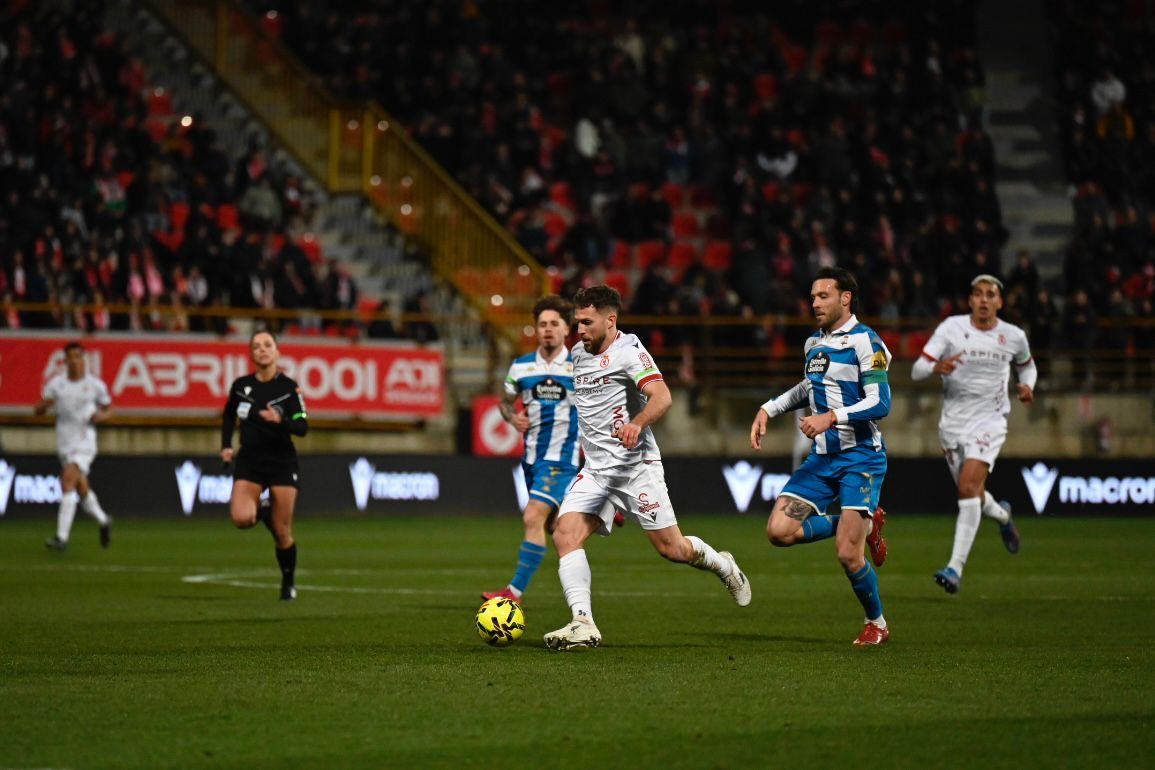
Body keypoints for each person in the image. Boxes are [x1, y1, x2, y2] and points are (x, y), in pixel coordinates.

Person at [543, 285, 751, 651]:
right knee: (565, 534)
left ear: (611, 320)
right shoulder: (578, 352)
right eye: (577, 323)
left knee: (673, 549)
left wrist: (637, 423)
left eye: (587, 322)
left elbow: (662, 396)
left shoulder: (629, 351)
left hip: (635, 467)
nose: (580, 330)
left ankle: (723, 565)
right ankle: (583, 623)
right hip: (597, 471)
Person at [749, 267, 892, 646]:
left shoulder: (867, 342)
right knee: (779, 532)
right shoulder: (813, 343)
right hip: (822, 460)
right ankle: (866, 524)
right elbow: (807, 387)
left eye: (823, 296)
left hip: (861, 458)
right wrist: (768, 409)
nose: (814, 303)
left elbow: (881, 402)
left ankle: (876, 623)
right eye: (812, 296)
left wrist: (832, 417)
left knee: (848, 554)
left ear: (846, 298)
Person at [912, 274, 1035, 594]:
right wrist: (935, 367)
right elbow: (917, 369)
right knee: (974, 493)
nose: (983, 300)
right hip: (953, 425)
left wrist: (1027, 385)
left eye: (990, 295)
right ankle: (1003, 515)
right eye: (978, 294)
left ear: (1000, 302)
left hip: (990, 422)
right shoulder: (951, 328)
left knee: (967, 487)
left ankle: (955, 568)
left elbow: (1027, 366)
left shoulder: (1014, 336)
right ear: (970, 300)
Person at [482, 295, 581, 603]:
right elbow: (504, 402)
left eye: (554, 324)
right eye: (542, 324)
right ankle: (599, 507)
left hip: (561, 459)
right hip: (532, 460)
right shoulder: (522, 367)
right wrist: (513, 418)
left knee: (532, 516)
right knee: (558, 530)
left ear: (566, 329)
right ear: (535, 329)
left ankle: (513, 592)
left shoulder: (579, 367)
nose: (548, 329)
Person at [220, 330, 309, 600]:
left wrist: (281, 420)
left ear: (277, 352)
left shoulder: (289, 388)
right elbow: (228, 415)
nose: (262, 349)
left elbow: (303, 426)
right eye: (256, 346)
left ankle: (288, 582)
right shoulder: (241, 386)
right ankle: (264, 508)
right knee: (241, 518)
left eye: (268, 345)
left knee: (282, 532)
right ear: (251, 354)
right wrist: (226, 445)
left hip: (282, 460)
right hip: (251, 459)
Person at [35, 342, 114, 550]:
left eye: (78, 356)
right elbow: (39, 409)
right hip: (64, 442)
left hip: (85, 442)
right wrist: (43, 406)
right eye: (71, 356)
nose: (75, 361)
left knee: (67, 481)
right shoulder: (56, 385)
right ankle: (104, 521)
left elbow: (109, 409)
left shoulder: (95, 385)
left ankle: (62, 538)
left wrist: (101, 416)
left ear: (83, 359)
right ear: (65, 360)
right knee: (81, 488)